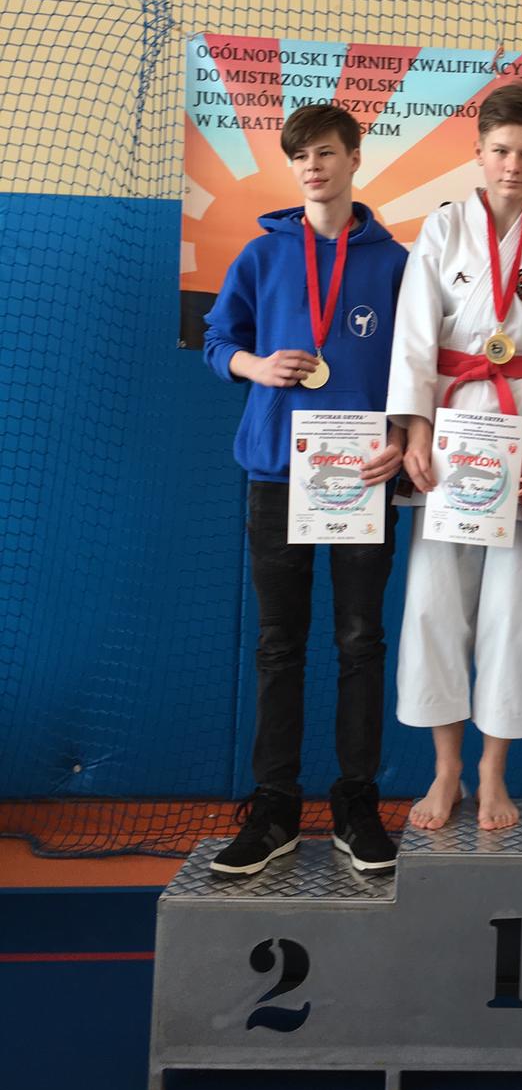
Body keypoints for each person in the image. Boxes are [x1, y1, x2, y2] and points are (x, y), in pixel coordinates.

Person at [204, 104, 408, 875]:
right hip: (277, 472)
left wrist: (402, 437)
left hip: (362, 473)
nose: (312, 167)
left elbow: (416, 366)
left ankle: (357, 803)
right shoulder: (262, 254)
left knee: (360, 641)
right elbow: (219, 342)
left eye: (325, 152)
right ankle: (275, 807)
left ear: (354, 157)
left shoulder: (395, 263)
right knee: (278, 643)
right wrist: (256, 366)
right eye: (299, 157)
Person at [387, 82, 522, 831]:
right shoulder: (442, 229)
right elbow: (414, 334)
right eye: (501, 151)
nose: (513, 165)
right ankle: (446, 770)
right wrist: (414, 429)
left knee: (516, 610)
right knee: (435, 604)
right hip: (450, 430)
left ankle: (492, 772)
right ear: (478, 153)